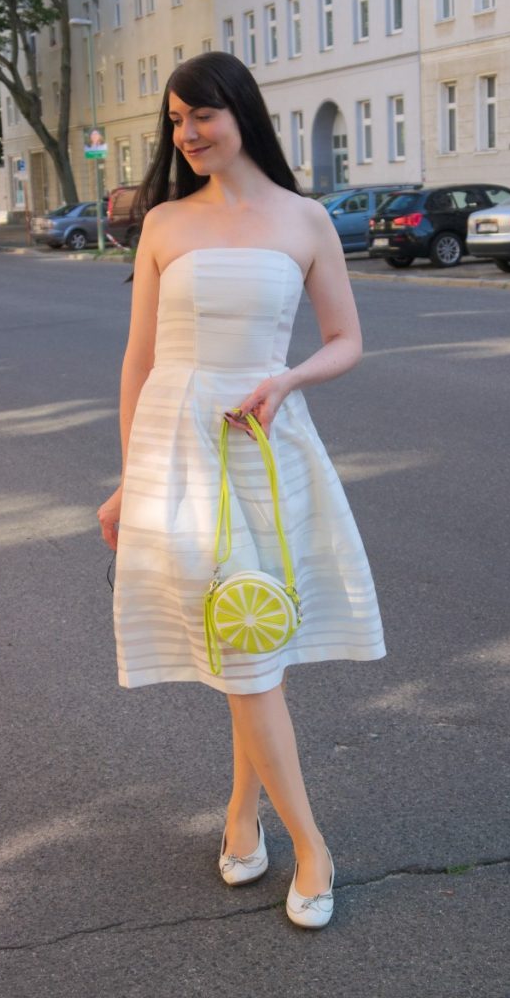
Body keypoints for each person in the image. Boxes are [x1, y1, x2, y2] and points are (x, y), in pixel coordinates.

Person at [97, 52, 385, 930]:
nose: (186, 134)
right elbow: (141, 361)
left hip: (264, 447)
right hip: (179, 457)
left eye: (202, 116)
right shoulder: (163, 225)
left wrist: (287, 380)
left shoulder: (304, 219)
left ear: (242, 115)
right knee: (240, 649)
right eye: (176, 121)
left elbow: (346, 339)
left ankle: (302, 841)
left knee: (248, 650)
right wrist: (129, 481)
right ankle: (251, 819)